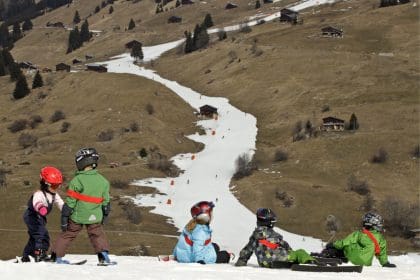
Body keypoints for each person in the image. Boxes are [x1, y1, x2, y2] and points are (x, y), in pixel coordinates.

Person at [51, 148, 112, 264]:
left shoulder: (77, 180)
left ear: (81, 162)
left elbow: (70, 202)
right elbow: (106, 202)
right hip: (95, 215)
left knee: (68, 234)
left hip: (77, 216)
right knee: (97, 234)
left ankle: (55, 256)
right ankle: (103, 256)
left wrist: (65, 216)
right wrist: (105, 214)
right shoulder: (103, 181)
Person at [235, 208, 314, 268]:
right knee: (300, 252)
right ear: (270, 223)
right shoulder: (274, 235)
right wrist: (292, 253)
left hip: (264, 263)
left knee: (292, 254)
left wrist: (241, 262)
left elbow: (246, 251)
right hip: (279, 257)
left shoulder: (254, 237)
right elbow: (286, 246)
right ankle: (311, 262)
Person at [319, 212, 396, 267]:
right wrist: (385, 263)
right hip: (366, 262)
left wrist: (333, 244)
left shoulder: (359, 233)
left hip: (354, 258)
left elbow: (344, 243)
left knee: (342, 247)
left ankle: (327, 255)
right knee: (350, 248)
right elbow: (381, 252)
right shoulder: (380, 238)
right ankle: (340, 258)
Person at [21, 166, 64, 262]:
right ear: (45, 184)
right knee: (40, 234)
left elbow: (60, 203)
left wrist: (66, 211)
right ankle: (39, 254)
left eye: (58, 186)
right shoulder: (39, 194)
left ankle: (27, 255)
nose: (56, 189)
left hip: (40, 217)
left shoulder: (54, 195)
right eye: (54, 186)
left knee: (39, 237)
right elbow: (37, 202)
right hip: (32, 216)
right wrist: (41, 207)